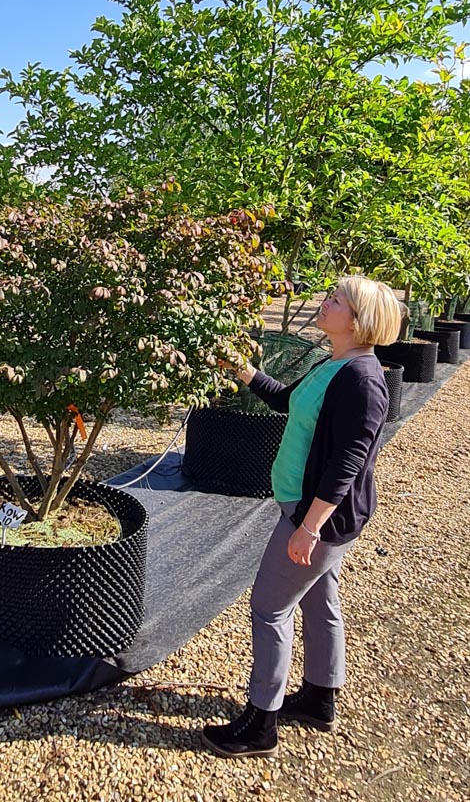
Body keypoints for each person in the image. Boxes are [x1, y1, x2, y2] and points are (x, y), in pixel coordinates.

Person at [201, 275, 405, 759]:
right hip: (306, 509)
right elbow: (285, 400)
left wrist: (309, 528)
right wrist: (241, 368)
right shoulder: (332, 363)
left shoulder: (363, 382)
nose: (326, 302)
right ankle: (319, 697)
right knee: (318, 599)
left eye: (336, 300)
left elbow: (347, 463)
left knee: (270, 608)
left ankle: (260, 723)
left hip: (319, 518)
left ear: (359, 320)